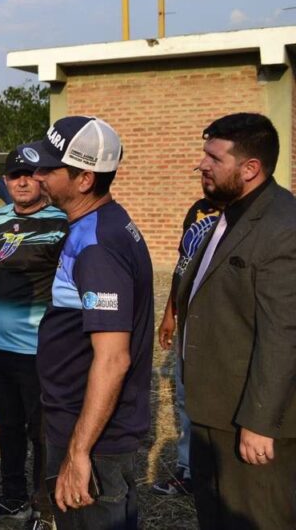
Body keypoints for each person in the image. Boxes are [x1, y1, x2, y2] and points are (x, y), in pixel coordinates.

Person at [23, 116, 154, 530]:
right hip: (85, 423)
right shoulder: (97, 225)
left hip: (94, 436)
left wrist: (79, 452)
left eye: (49, 169)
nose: (37, 176)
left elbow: (113, 358)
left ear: (83, 179)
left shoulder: (98, 246)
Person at [176, 112, 296, 530]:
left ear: (250, 169)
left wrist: (259, 423)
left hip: (250, 424)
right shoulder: (226, 214)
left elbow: (284, 334)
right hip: (211, 413)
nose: (202, 165)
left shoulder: (283, 226)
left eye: (214, 157)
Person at [0, 150, 68, 526]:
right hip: (0, 346)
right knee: (6, 425)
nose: (22, 181)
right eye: (15, 175)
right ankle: (13, 497)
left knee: (43, 432)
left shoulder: (62, 222)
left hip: (42, 350)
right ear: (6, 181)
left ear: (41, 178)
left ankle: (45, 507)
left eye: (29, 174)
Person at [151, 197, 221, 496]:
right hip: (190, 325)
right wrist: (171, 312)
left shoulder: (248, 218)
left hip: (223, 330)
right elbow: (183, 267)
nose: (206, 170)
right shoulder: (198, 212)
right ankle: (189, 471)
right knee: (185, 398)